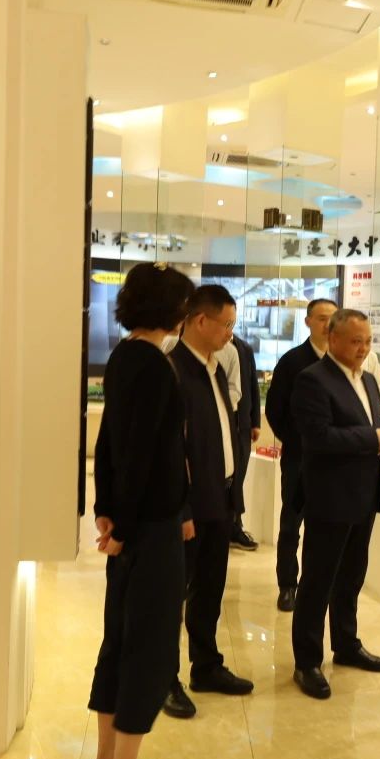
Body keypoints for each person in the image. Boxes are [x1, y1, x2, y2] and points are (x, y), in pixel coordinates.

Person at [88, 262, 193, 759]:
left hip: (135, 524)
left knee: (119, 640)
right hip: (150, 529)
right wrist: (125, 526)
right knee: (148, 647)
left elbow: (110, 444)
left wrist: (107, 511)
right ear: (172, 310)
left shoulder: (124, 356)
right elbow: (141, 454)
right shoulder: (153, 364)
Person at [289, 309, 380, 699]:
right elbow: (317, 437)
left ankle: (347, 644)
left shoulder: (367, 379)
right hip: (330, 498)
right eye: (355, 341)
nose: (363, 348)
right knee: (318, 581)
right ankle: (307, 661)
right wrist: (372, 439)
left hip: (365, 495)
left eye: (367, 341)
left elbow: (378, 423)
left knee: (352, 577)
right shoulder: (313, 380)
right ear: (333, 339)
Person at [162, 285, 256, 720]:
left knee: (211, 588)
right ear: (200, 321)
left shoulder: (215, 368)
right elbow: (169, 451)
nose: (230, 334)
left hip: (220, 498)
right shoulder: (173, 371)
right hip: (190, 504)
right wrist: (181, 510)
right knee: (174, 595)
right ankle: (166, 679)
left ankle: (206, 665)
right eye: (226, 324)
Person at [265, 298, 338, 612]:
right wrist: (295, 441)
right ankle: (287, 584)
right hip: (299, 459)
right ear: (308, 322)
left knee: (326, 527)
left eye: (333, 318)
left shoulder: (341, 361)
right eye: (321, 318)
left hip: (333, 461)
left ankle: (317, 585)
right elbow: (275, 409)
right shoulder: (292, 361)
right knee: (291, 524)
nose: (327, 324)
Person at [221, 333, 260, 552]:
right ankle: (226, 527)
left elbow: (252, 385)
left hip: (241, 426)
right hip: (220, 425)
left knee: (238, 480)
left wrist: (255, 422)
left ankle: (235, 526)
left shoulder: (243, 348)